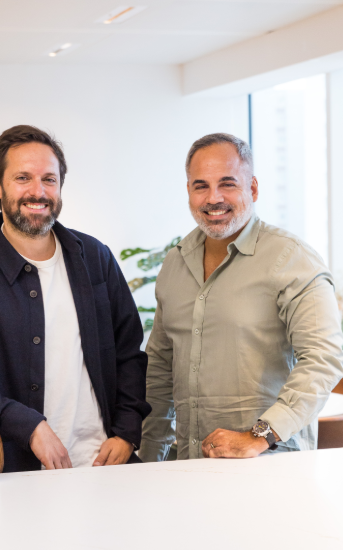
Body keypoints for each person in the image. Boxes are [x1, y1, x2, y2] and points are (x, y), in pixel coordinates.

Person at [0, 125, 150, 472]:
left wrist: (126, 433)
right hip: (18, 476)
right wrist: (27, 425)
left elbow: (128, 354)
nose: (38, 191)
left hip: (105, 466)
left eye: (49, 179)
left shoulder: (96, 259)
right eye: (23, 178)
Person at [139, 132, 343, 461]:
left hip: (270, 466)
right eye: (201, 186)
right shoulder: (175, 264)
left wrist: (258, 435)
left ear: (253, 188)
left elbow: (324, 358)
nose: (213, 198)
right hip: (189, 469)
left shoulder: (292, 258)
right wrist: (149, 460)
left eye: (228, 183)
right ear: (189, 191)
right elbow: (160, 371)